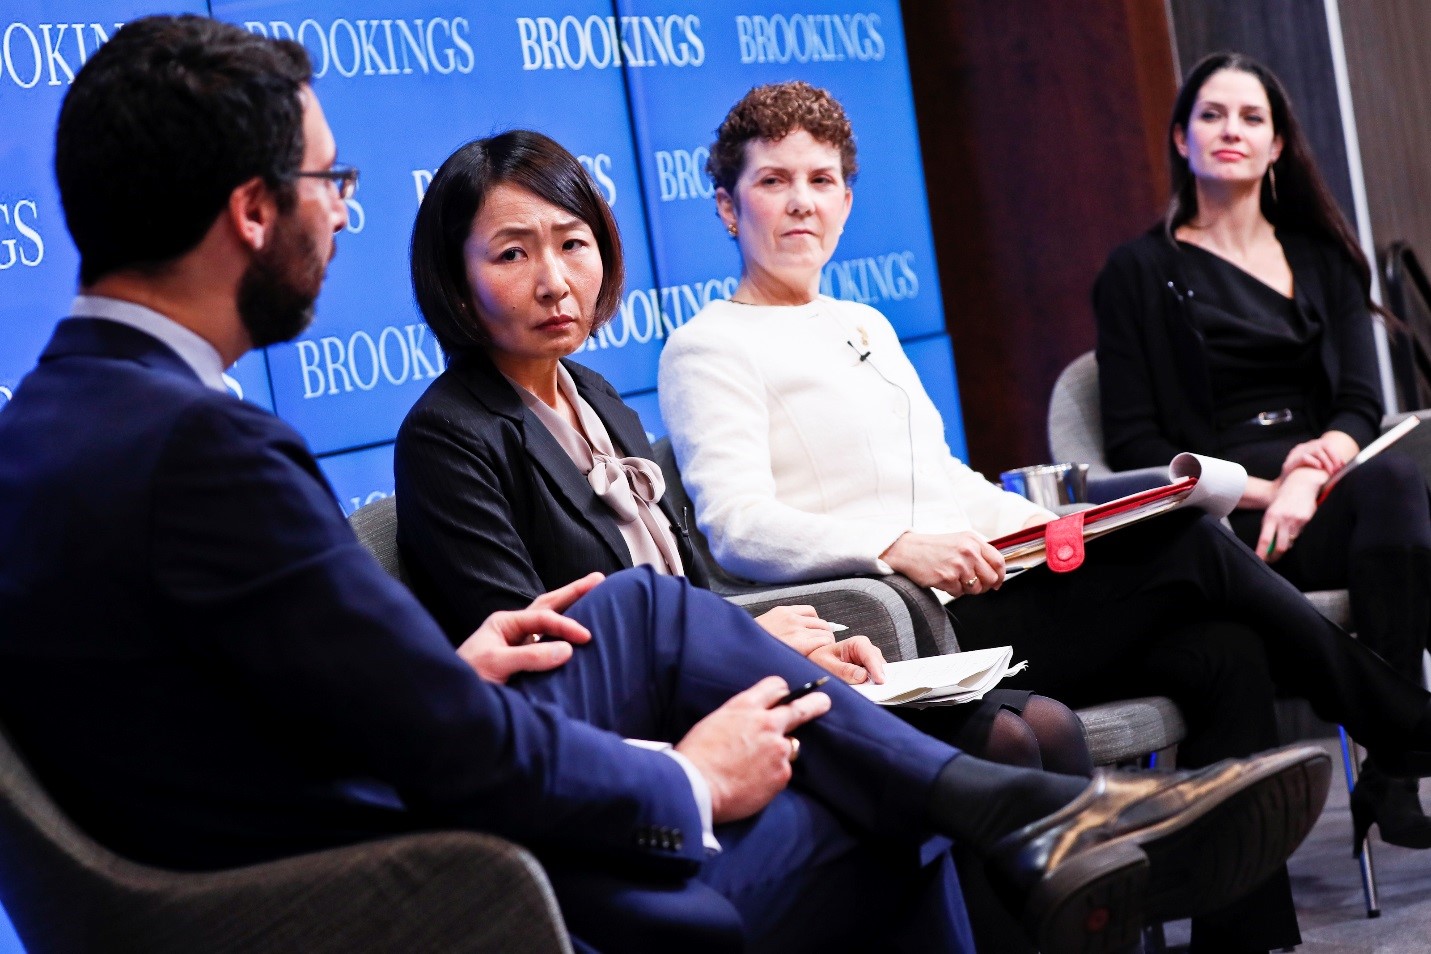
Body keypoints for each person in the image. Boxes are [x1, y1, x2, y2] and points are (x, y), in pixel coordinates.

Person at [0, 17, 1330, 954]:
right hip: (417, 890)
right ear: (250, 209)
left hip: (340, 833)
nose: (338, 211)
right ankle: (1021, 819)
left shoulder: (55, 424)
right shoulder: (207, 447)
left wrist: (451, 661)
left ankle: (1017, 813)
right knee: (859, 806)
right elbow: (440, 758)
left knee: (649, 611)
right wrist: (684, 781)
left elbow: (265, 709)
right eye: (326, 180)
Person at [657, 79, 1431, 953]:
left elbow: (940, 477)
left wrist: (1055, 524)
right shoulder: (707, 346)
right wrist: (895, 545)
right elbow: (735, 525)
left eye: (822, 179)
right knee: (1187, 545)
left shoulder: (863, 322)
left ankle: (1243, 937)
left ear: (845, 198)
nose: (801, 201)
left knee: (1225, 650)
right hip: (906, 622)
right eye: (772, 182)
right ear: (727, 206)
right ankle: (1403, 724)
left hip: (992, 579)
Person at [394, 130, 1093, 785]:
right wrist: (750, 646)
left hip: (715, 676)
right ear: (456, 282)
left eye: (572, 244)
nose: (554, 281)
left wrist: (784, 643)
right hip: (639, 730)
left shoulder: (595, 395)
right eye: (512, 254)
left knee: (1046, 724)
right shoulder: (449, 435)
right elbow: (536, 654)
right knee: (1003, 745)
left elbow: (691, 588)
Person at [1093, 51, 1431, 854]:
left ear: (1277, 145)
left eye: (1251, 118)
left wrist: (1312, 473)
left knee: (1394, 484)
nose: (1231, 132)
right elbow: (1134, 444)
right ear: (1180, 137)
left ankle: (1391, 766)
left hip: (1326, 498)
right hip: (1218, 521)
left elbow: (1358, 401)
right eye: (1211, 115)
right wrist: (1265, 489)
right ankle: (1404, 737)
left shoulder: (1322, 257)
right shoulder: (1136, 272)